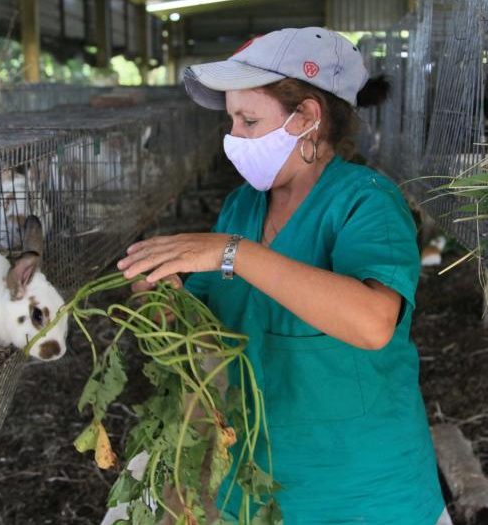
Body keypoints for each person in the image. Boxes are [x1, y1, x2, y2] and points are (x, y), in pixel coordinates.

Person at [117, 27, 449, 525]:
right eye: (231, 121)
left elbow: (374, 322)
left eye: (249, 120)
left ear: (308, 119)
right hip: (254, 485)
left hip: (362, 496)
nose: (234, 138)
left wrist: (233, 253)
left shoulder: (367, 201)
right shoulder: (242, 206)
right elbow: (204, 326)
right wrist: (160, 301)